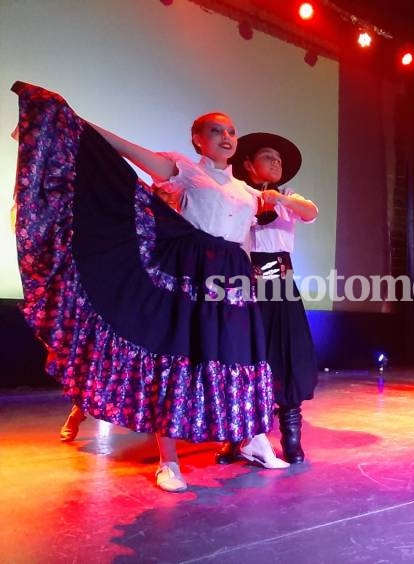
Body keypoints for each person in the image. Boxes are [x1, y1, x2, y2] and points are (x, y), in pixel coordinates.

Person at [12, 82, 287, 494]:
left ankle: (254, 439)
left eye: (231, 131)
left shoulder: (248, 191)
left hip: (233, 276)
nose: (226, 137)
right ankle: (169, 461)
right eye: (216, 131)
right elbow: (124, 151)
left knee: (241, 354)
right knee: (178, 358)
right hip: (190, 270)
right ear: (197, 139)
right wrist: (75, 123)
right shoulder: (185, 169)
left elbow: (281, 216)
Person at [215, 132, 319, 465]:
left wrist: (281, 201)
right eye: (267, 156)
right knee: (240, 358)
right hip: (243, 282)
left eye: (279, 158)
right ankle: (237, 434)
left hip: (281, 287)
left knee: (286, 356)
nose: (276, 161)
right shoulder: (237, 195)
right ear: (247, 164)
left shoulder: (289, 196)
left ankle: (290, 437)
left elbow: (310, 210)